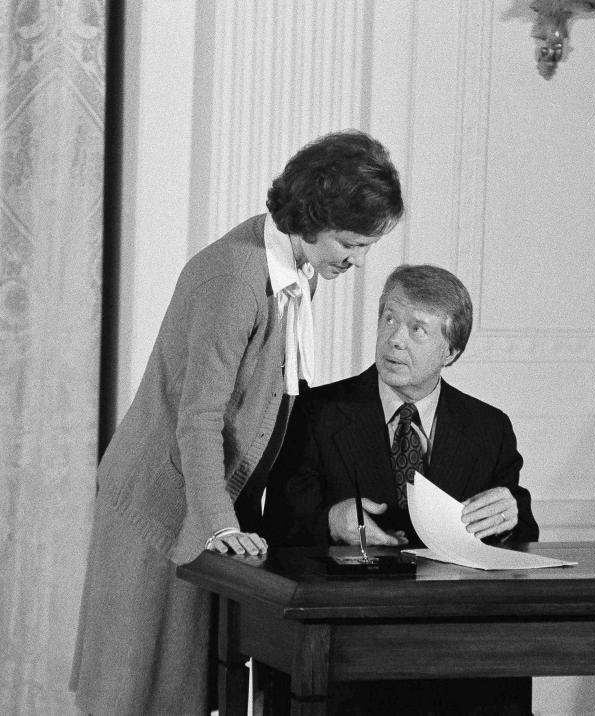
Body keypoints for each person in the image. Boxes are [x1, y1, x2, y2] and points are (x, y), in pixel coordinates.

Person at [70, 130, 403, 716]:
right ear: (314, 217)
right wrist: (220, 527)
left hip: (205, 507)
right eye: (351, 243)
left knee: (190, 691)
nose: (357, 260)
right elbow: (198, 419)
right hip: (160, 507)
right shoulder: (237, 279)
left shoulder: (292, 270)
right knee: (138, 695)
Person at [263, 264, 538, 716]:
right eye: (389, 319)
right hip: (348, 636)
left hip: (454, 643)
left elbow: (521, 532)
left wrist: (512, 513)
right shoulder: (317, 412)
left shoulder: (488, 428)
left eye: (416, 329)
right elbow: (278, 525)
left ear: (451, 351)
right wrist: (331, 520)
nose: (394, 339)